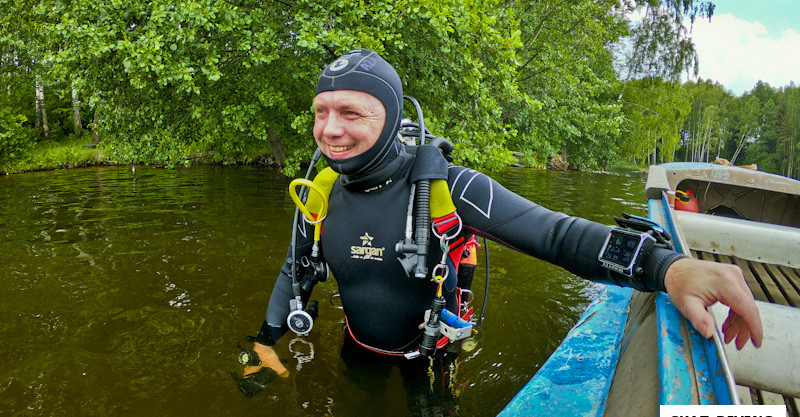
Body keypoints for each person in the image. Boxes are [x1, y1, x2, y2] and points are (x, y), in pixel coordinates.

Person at [243, 48, 763, 384]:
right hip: (356, 347)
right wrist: (263, 344)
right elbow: (296, 269)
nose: (329, 130)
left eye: (351, 112)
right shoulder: (320, 191)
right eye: (321, 112)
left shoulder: (450, 188)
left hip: (431, 356)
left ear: (393, 115)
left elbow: (558, 235)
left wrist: (667, 267)